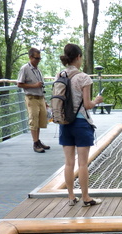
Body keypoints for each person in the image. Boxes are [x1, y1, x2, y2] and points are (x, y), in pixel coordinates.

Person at [57, 43, 104, 207]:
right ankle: (86, 197)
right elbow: (87, 104)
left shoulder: (60, 74)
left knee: (68, 162)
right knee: (82, 163)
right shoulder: (84, 78)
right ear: (78, 57)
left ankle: (71, 197)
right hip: (81, 123)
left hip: (64, 123)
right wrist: (97, 100)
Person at [17, 47, 50, 153]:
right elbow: (19, 84)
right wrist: (34, 85)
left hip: (40, 98)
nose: (38, 60)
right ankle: (35, 143)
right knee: (33, 120)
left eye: (39, 58)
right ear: (30, 57)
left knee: (40, 120)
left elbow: (41, 86)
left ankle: (38, 141)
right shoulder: (25, 68)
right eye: (36, 58)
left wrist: (44, 100)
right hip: (31, 98)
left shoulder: (38, 70)